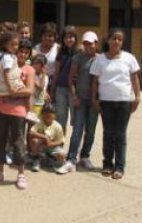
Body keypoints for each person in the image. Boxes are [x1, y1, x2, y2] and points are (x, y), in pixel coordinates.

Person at [90, 28, 140, 179]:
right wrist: (94, 98)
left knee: (120, 134)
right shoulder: (100, 59)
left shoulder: (129, 58)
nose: (116, 41)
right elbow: (95, 81)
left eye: (119, 39)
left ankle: (119, 167)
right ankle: (107, 164)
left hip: (124, 101)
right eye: (114, 38)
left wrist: (137, 97)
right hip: (106, 101)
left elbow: (135, 79)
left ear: (122, 42)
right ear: (108, 40)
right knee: (108, 133)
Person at [0, 37, 35, 189]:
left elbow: (29, 90)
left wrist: (11, 93)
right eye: (20, 51)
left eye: (26, 53)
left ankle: (21, 174)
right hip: (0, 108)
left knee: (18, 141)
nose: (22, 55)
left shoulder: (29, 70)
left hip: (18, 110)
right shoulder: (5, 62)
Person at [57, 31, 99, 174]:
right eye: (85, 43)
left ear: (96, 44)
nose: (88, 46)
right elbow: (71, 79)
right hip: (81, 100)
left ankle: (85, 156)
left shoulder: (101, 59)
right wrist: (75, 97)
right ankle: (71, 160)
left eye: (91, 43)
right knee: (77, 130)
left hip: (94, 101)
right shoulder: (78, 58)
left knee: (91, 131)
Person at [51, 25, 79, 133]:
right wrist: (53, 90)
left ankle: (74, 145)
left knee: (75, 119)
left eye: (71, 37)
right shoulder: (60, 52)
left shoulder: (79, 52)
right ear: (63, 39)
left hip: (75, 89)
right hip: (61, 88)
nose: (69, 39)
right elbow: (57, 72)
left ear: (76, 38)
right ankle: (59, 143)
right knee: (60, 118)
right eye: (66, 37)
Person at [28, 103, 66, 172]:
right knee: (34, 140)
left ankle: (49, 159)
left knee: (63, 154)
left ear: (54, 116)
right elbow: (31, 132)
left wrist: (52, 144)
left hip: (52, 147)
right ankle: (36, 159)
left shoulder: (58, 126)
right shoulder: (40, 122)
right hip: (41, 145)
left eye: (50, 116)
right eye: (45, 115)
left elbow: (61, 141)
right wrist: (44, 137)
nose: (48, 118)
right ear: (42, 115)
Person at [34, 22, 59, 87]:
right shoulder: (35, 49)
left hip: (54, 82)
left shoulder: (58, 49)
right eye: (45, 35)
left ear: (55, 37)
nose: (47, 38)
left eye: (50, 36)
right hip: (37, 81)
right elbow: (29, 63)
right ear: (41, 36)